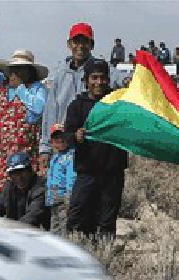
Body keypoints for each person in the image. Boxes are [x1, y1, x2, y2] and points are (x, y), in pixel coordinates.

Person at [39, 22, 126, 176]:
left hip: (90, 147)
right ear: (69, 44)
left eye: (85, 41)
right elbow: (50, 111)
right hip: (62, 144)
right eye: (76, 41)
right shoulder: (59, 73)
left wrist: (128, 80)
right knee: (61, 192)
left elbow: (120, 79)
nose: (80, 46)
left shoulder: (99, 69)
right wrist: (45, 148)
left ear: (91, 45)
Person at [0, 24, 47, 198]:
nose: (17, 72)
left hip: (21, 159)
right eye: (15, 68)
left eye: (22, 68)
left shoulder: (37, 89)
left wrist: (21, 89)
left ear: (30, 71)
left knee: (18, 196)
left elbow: (39, 108)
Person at [64, 59, 129, 238]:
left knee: (107, 222)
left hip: (112, 174)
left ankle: (104, 260)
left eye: (103, 78)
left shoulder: (117, 104)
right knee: (78, 219)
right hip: (87, 173)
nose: (99, 82)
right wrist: (75, 137)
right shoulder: (77, 106)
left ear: (108, 80)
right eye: (94, 78)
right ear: (86, 80)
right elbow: (66, 135)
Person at [0, 152, 50, 229]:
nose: (19, 178)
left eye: (22, 172)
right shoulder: (9, 188)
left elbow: (33, 216)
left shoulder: (40, 188)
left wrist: (12, 231)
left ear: (30, 171)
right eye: (14, 174)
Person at [45, 124, 76, 235]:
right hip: (53, 197)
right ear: (52, 141)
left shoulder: (70, 155)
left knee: (64, 225)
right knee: (54, 225)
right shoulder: (54, 157)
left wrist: (69, 194)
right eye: (56, 138)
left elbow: (71, 176)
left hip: (63, 198)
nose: (60, 140)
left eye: (63, 137)